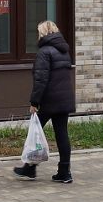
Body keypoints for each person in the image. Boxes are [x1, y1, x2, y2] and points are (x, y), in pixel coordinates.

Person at [13, 21, 74, 184]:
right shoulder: (64, 51)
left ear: (43, 33)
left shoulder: (44, 52)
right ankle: (64, 172)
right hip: (64, 98)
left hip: (49, 101)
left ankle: (29, 168)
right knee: (62, 134)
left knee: (35, 132)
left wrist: (34, 102)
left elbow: (41, 80)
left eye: (38, 32)